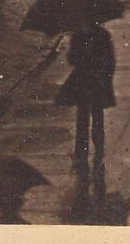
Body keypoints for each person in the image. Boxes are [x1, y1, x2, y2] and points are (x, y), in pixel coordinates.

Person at [55, 21, 116, 178]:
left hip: (83, 81)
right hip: (98, 81)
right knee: (98, 115)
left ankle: (81, 153)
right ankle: (99, 148)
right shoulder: (103, 35)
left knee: (82, 117)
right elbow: (111, 62)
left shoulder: (78, 36)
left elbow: (72, 59)